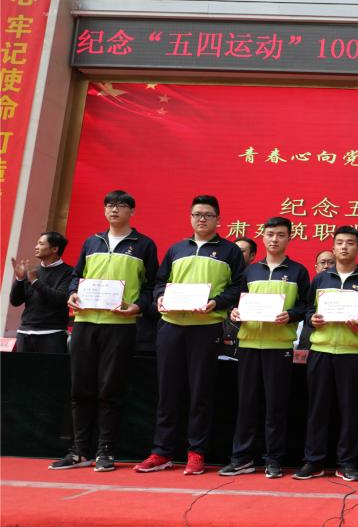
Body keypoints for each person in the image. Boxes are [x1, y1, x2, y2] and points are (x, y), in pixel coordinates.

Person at [134, 195, 246, 475]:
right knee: (168, 390)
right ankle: (162, 452)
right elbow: (160, 282)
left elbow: (238, 288)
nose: (202, 219)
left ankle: (196, 452)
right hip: (171, 326)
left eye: (208, 215)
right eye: (197, 214)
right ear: (190, 218)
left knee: (201, 391)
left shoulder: (230, 251)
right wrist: (160, 298)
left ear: (218, 220)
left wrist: (217, 302)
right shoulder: (176, 249)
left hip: (206, 327)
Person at [53, 190, 158, 471]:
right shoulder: (92, 242)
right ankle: (79, 451)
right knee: (80, 388)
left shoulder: (144, 245)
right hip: (85, 322)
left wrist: (138, 306)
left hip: (120, 326)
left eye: (121, 205)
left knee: (111, 389)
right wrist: (72, 293)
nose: (114, 210)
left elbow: (152, 286)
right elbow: (77, 276)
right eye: (109, 205)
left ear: (132, 212)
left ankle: (105, 451)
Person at [219, 217, 309, 479]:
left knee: (276, 405)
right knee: (246, 403)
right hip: (248, 343)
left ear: (289, 238)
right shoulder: (249, 271)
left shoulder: (298, 271)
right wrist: (235, 313)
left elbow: (306, 306)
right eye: (270, 234)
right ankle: (242, 458)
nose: (274, 239)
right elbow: (236, 303)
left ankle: (273, 459)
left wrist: (291, 315)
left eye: (280, 235)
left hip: (279, 345)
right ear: (263, 236)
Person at [294, 226, 358, 481]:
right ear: (333, 248)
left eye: (350, 243)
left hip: (351, 352)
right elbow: (308, 309)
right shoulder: (320, 280)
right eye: (340, 242)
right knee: (317, 408)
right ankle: (314, 461)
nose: (344, 247)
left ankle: (347, 463)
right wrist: (313, 319)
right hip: (320, 350)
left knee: (349, 409)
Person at [9, 232, 74, 353]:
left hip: (53, 334)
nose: (36, 247)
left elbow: (60, 299)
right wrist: (19, 279)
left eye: (41, 244)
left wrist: (35, 282)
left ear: (54, 249)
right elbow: (15, 301)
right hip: (25, 333)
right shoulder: (33, 271)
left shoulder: (69, 272)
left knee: (50, 366)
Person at [296, 250, 335, 352]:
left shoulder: (343, 289)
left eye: (331, 262)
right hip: (307, 337)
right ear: (316, 267)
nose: (326, 266)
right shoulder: (307, 287)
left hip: (333, 340)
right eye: (322, 262)